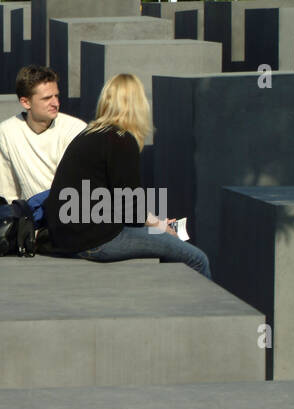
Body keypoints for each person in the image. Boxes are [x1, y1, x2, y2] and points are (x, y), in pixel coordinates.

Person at [43, 73, 211, 277]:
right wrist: (160, 226)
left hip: (71, 236)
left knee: (169, 241)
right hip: (93, 241)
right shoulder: (121, 140)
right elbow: (131, 210)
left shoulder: (90, 134)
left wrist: (158, 224)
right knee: (197, 259)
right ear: (138, 106)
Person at [0, 65, 87, 207]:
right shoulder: (6, 132)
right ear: (25, 102)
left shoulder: (75, 129)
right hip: (32, 219)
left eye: (56, 96)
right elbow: (6, 194)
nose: (55, 103)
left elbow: (76, 186)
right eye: (47, 98)